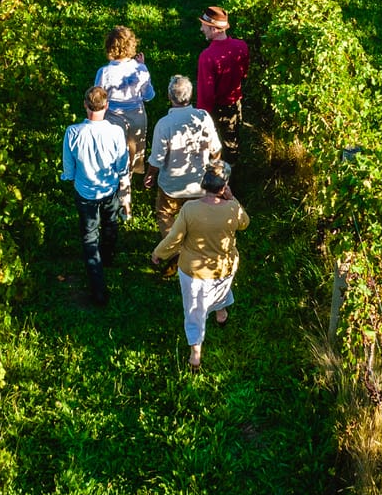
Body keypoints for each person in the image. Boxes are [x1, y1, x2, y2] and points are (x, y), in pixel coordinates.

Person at [150, 159, 248, 372]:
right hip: (224, 267)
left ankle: (195, 355)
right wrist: (233, 199)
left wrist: (159, 253)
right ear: (224, 186)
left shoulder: (190, 209)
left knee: (194, 310)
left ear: (204, 183)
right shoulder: (232, 208)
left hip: (193, 271)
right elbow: (245, 222)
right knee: (220, 290)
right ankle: (221, 315)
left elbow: (174, 238)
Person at [61, 84, 128, 305]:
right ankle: (108, 255)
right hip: (109, 188)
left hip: (85, 191)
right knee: (110, 223)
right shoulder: (116, 132)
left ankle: (98, 290)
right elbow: (122, 164)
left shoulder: (72, 132)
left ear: (85, 105)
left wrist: (71, 177)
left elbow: (69, 169)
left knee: (90, 237)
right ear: (106, 106)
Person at [144, 74, 222, 238]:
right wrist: (215, 172)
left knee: (165, 215)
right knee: (197, 220)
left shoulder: (164, 124)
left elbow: (157, 159)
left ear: (169, 96)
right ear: (191, 95)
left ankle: (172, 248)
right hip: (199, 184)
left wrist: (150, 175)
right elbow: (216, 149)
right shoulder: (203, 117)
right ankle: (194, 244)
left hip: (171, 187)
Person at [94, 26, 154, 215]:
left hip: (114, 118)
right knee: (132, 154)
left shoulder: (104, 72)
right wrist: (143, 67)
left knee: (116, 156)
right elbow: (149, 95)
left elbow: (98, 97)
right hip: (137, 116)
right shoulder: (140, 69)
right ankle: (126, 192)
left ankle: (121, 196)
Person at [196, 6, 250, 151]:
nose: (202, 29)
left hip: (217, 108)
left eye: (204, 26)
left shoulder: (207, 57)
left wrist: (201, 117)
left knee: (209, 143)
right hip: (235, 103)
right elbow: (244, 72)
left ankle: (214, 168)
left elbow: (205, 94)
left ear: (213, 29)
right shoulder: (242, 46)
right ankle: (231, 167)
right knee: (231, 140)